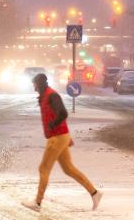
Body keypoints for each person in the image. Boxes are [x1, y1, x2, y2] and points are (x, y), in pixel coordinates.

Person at [22, 74, 102, 211]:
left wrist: (53, 125)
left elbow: (63, 113)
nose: (33, 87)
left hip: (57, 137)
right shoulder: (45, 95)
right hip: (60, 136)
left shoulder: (52, 95)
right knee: (68, 169)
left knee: (43, 168)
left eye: (34, 84)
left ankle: (37, 202)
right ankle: (94, 193)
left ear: (39, 83)